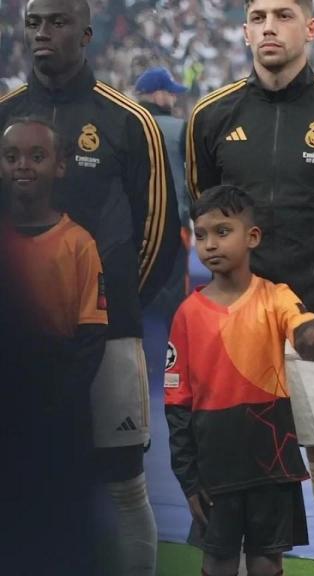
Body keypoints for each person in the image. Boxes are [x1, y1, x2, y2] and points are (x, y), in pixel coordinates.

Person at [187, 0, 314, 572]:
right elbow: (205, 212)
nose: (269, 26)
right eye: (258, 16)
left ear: (310, 27)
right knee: (240, 489)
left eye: (283, 14)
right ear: (245, 30)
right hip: (235, 333)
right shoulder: (212, 115)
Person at [0, 1, 180, 573]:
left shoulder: (131, 122)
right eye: (32, 23)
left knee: (125, 485)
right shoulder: (5, 116)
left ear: (86, 33)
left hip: (110, 339)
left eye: (55, 22)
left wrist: (116, 306)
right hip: (17, 343)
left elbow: (159, 231)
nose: (41, 33)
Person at [165, 185, 314, 576]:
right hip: (214, 469)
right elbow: (176, 403)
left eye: (223, 231)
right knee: (219, 561)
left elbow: (304, 330)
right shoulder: (187, 315)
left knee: (267, 561)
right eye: (202, 234)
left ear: (252, 237)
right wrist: (189, 480)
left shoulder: (277, 297)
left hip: (271, 465)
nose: (210, 243)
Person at [1, 116, 108, 572]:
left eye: (37, 156)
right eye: (11, 157)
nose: (23, 166)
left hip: (55, 412)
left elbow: (91, 336)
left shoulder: (78, 244)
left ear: (60, 167)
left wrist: (54, 406)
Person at [135, 66, 191, 325]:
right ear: (158, 95)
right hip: (172, 226)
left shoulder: (125, 122)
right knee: (173, 302)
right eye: (170, 93)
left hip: (132, 227)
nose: (174, 98)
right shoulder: (180, 129)